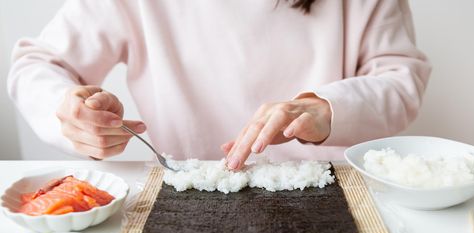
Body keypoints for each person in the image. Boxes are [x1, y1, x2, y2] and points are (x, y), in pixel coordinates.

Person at [7, 0, 431, 170]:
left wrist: (327, 108)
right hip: (182, 191)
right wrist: (67, 109)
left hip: (332, 192)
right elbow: (36, 64)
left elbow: (401, 79)